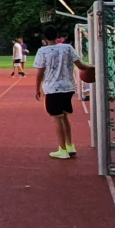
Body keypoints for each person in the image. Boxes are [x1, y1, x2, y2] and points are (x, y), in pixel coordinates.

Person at [32, 26, 81, 159]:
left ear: (44, 38)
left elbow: (40, 73)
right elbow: (80, 65)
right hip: (68, 87)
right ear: (57, 35)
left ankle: (62, 149)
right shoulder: (67, 48)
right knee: (64, 116)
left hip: (53, 88)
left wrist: (37, 89)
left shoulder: (42, 51)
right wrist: (92, 68)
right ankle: (70, 145)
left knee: (57, 118)